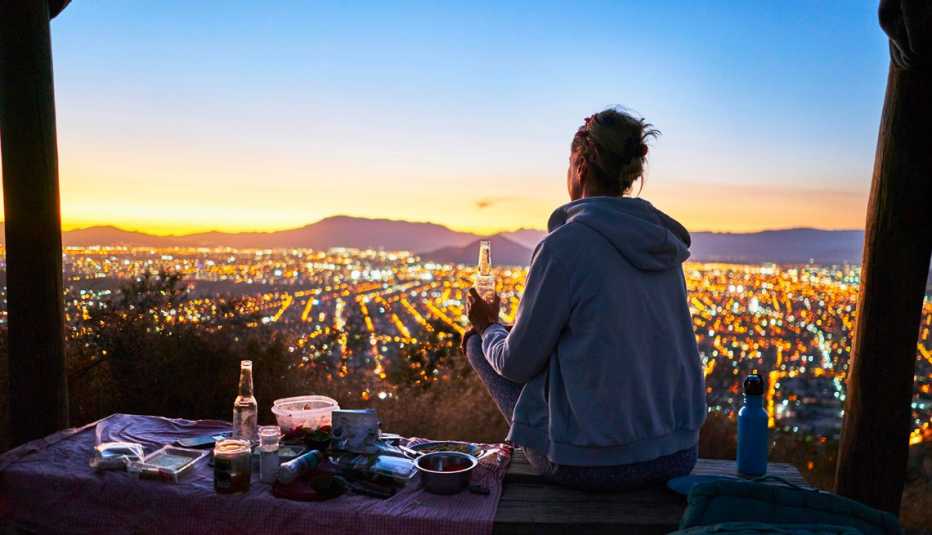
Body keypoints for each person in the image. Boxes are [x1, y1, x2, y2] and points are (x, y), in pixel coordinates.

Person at [462, 107, 706, 492]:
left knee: (480, 343)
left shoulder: (565, 246)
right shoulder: (662, 246)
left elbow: (515, 364)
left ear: (580, 164)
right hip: (678, 453)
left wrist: (487, 324)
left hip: (589, 463)